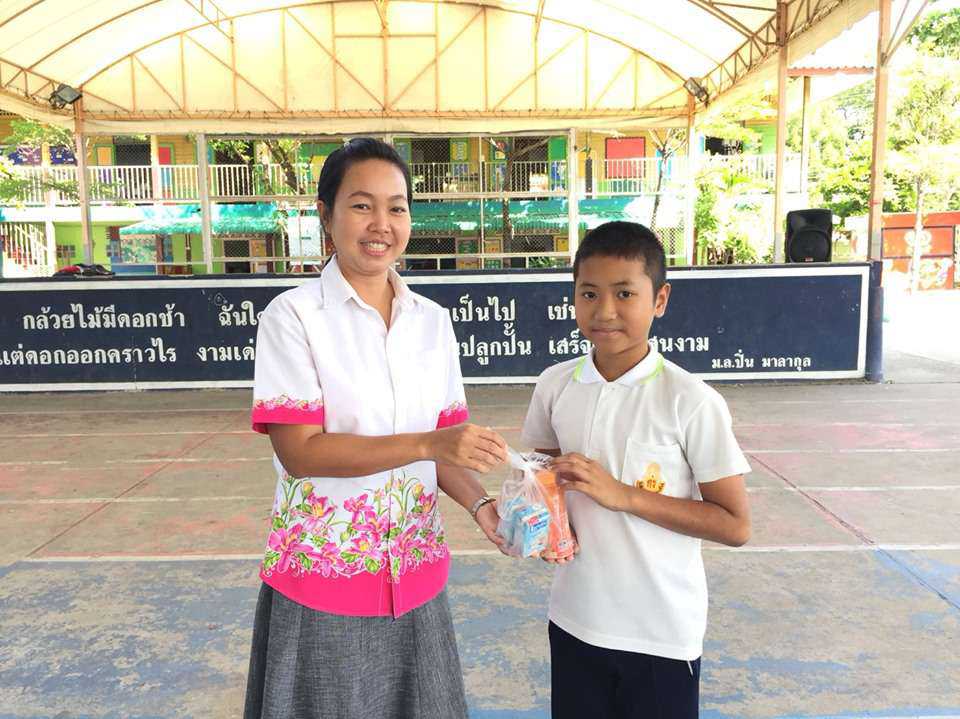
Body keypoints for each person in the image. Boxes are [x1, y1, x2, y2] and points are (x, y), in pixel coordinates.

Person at [243, 137, 507, 719]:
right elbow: (302, 452)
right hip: (324, 578)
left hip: (416, 577)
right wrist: (427, 443)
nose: (381, 224)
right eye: (362, 205)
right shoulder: (293, 316)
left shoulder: (432, 323)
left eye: (397, 207)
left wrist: (482, 505)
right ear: (326, 216)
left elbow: (446, 452)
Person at [519, 221, 752, 719]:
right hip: (575, 619)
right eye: (589, 293)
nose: (605, 311)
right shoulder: (555, 385)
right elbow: (542, 475)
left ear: (659, 299)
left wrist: (622, 494)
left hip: (660, 634)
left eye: (625, 293)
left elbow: (735, 525)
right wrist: (538, 523)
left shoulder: (691, 401)